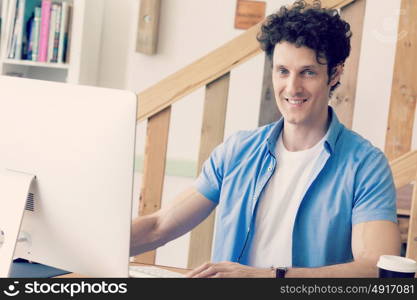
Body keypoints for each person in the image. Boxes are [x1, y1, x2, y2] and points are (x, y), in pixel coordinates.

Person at [130, 0, 400, 278]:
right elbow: (159, 226)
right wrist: (92, 242)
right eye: (283, 71)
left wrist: (270, 278)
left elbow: (375, 268)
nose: (292, 87)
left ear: (334, 74)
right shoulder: (237, 151)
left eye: (307, 72)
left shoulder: (365, 166)